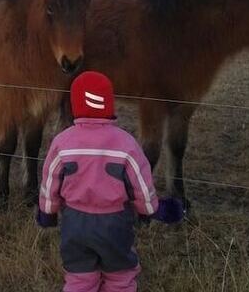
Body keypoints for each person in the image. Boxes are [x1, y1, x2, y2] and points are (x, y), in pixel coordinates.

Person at [36, 71, 184, 292]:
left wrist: (47, 212)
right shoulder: (126, 144)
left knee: (79, 278)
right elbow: (142, 185)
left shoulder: (62, 142)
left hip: (74, 224)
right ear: (109, 103)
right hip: (114, 223)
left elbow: (50, 181)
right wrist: (152, 209)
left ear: (75, 103)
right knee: (120, 278)